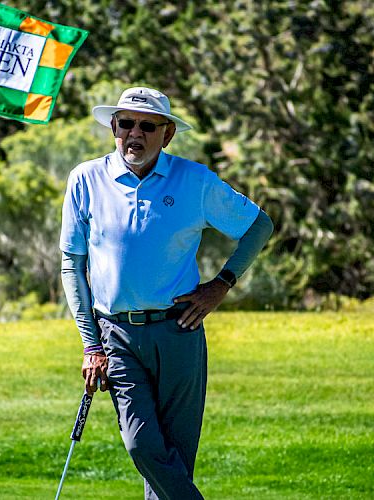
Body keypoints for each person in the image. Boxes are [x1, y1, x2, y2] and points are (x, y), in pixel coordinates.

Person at [60, 87, 273, 499]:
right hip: (116, 336)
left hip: (180, 332)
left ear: (167, 134)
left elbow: (258, 225)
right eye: (125, 123)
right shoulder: (85, 179)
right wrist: (91, 345)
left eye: (147, 125)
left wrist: (221, 285)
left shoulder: (193, 181)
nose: (133, 133)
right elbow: (72, 264)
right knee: (141, 444)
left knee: (175, 457)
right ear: (113, 128)